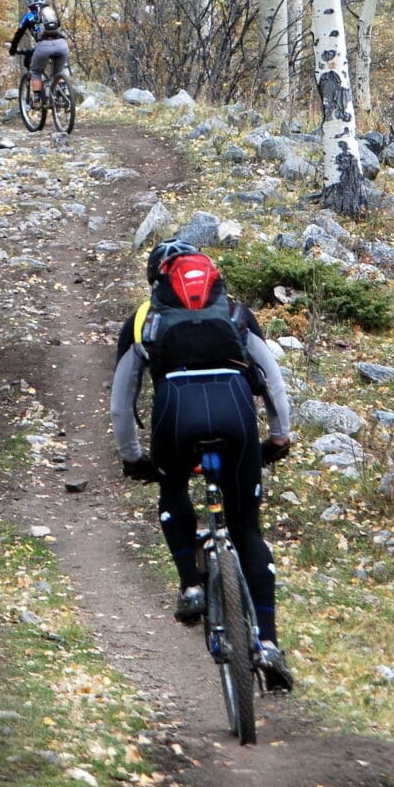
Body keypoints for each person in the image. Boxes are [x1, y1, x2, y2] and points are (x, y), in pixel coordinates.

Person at [109, 238, 294, 692]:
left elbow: (121, 402)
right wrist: (278, 435)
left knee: (172, 487)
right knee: (247, 530)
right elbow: (272, 379)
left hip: (176, 414)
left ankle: (191, 585)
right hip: (235, 411)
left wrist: (133, 457)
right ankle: (269, 643)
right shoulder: (234, 311)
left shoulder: (143, 318)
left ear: (156, 281)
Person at [27, 5, 69, 108]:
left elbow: (35, 33)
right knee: (58, 72)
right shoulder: (53, 16)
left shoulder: (35, 17)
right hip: (62, 44)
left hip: (44, 46)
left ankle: (37, 100)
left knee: (35, 71)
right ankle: (64, 92)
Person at [8, 0, 47, 72]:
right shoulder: (50, 13)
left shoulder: (28, 16)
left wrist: (13, 49)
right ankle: (60, 79)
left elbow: (19, 34)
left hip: (43, 46)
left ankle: (35, 77)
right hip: (61, 43)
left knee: (29, 63)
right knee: (57, 70)